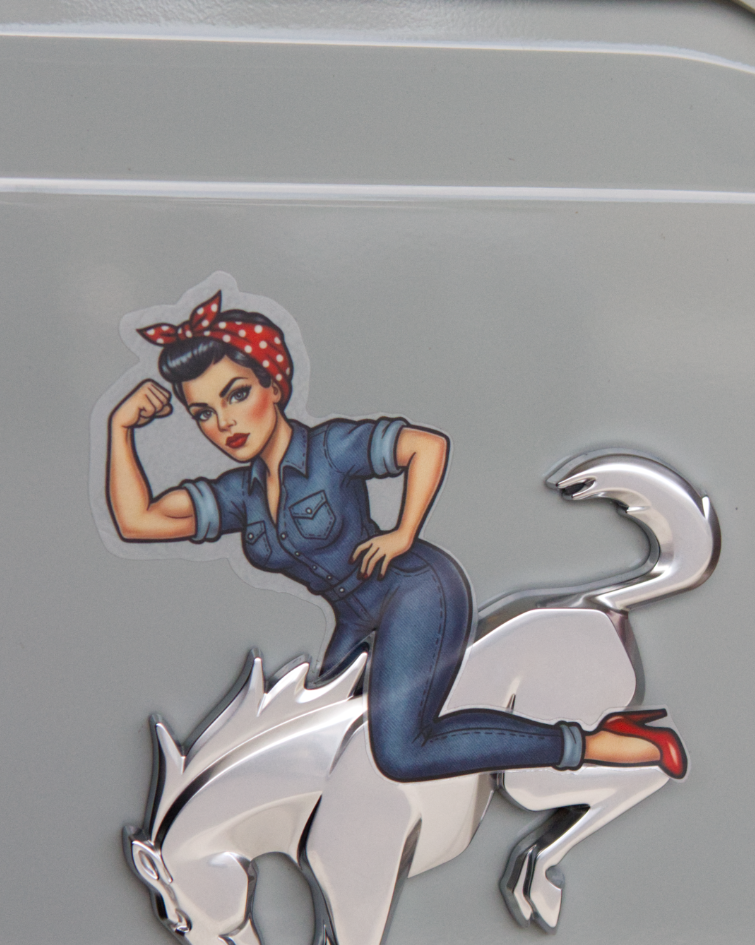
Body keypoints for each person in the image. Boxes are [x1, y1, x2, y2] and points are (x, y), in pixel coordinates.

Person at [105, 292, 685, 784]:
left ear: (273, 385)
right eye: (203, 413)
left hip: (414, 590)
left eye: (236, 394)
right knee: (320, 742)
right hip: (354, 619)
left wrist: (404, 533)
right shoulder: (242, 493)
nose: (225, 423)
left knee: (401, 754)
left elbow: (425, 446)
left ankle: (594, 743)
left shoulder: (329, 449)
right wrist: (119, 427)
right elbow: (139, 520)